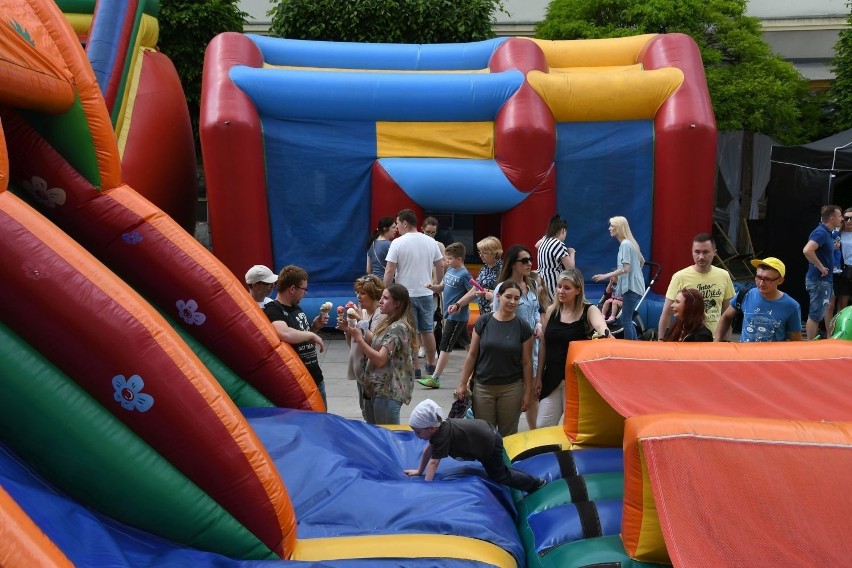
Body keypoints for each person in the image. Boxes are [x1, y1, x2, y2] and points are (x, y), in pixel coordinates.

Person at [404, 399, 546, 493]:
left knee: (500, 475)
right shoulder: (439, 428)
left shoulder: (441, 435)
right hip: (484, 434)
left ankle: (535, 484)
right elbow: (427, 450)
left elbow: (434, 463)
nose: (416, 435)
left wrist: (427, 487)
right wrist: (418, 471)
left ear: (431, 428)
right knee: (498, 470)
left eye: (418, 432)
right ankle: (533, 481)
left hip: (488, 441)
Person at [456, 280, 533, 437]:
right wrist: (462, 383)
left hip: (512, 389)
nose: (512, 302)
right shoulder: (484, 321)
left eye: (517, 298)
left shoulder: (523, 326)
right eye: (508, 297)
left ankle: (505, 462)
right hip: (483, 387)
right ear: (498, 297)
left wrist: (527, 393)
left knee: (509, 435)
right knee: (484, 435)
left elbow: (527, 363)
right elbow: (472, 354)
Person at [536, 269, 610, 428]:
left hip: (576, 378)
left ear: (578, 290)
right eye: (559, 286)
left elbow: (600, 325)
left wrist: (607, 335)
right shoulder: (552, 311)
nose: (561, 291)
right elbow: (544, 344)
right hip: (552, 377)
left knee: (573, 427)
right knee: (542, 424)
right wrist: (539, 377)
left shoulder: (589, 310)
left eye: (567, 288)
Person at [343, 283, 417, 424]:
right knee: (376, 435)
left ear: (397, 303)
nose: (380, 301)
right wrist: (355, 331)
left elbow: (380, 359)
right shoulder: (388, 322)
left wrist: (359, 339)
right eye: (381, 297)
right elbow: (376, 342)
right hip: (378, 389)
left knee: (387, 437)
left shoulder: (398, 327)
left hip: (387, 391)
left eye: (385, 298)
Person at [384, 209, 444, 378]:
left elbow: (390, 269)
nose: (396, 227)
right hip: (426, 292)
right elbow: (440, 264)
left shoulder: (398, 242)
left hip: (405, 294)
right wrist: (439, 285)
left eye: (397, 223)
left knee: (410, 332)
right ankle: (431, 365)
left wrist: (384, 290)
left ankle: (415, 367)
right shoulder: (430, 242)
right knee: (427, 330)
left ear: (404, 223)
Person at [264, 265, 328, 408]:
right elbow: (284, 333)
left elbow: (302, 338)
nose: (305, 293)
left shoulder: (296, 307)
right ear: (292, 289)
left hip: (315, 376)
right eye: (304, 289)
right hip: (298, 382)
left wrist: (314, 328)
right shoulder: (273, 309)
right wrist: (311, 334)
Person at [494, 245, 543, 429]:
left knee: (533, 393)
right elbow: (495, 316)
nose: (530, 264)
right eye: (524, 261)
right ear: (513, 264)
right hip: (511, 347)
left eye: (530, 260)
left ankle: (534, 434)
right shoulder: (503, 287)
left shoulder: (532, 284)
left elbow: (536, 310)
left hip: (533, 346)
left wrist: (538, 324)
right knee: (511, 391)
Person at [657, 233, 735, 340]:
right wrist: (661, 343)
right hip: (687, 340)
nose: (701, 257)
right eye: (697, 252)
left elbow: (728, 315)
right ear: (692, 252)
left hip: (714, 341)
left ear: (714, 252)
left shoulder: (724, 275)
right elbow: (666, 314)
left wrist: (726, 343)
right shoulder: (680, 277)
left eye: (706, 252)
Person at [419, 242, 473, 389]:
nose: (446, 261)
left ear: (459, 259)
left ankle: (435, 377)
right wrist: (432, 287)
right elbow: (441, 287)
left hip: (457, 316)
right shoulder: (450, 271)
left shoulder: (464, 275)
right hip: (449, 315)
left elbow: (473, 292)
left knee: (445, 346)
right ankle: (478, 367)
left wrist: (459, 305)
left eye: (449, 259)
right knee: (469, 346)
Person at [715, 257, 802, 342]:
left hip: (774, 356)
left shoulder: (791, 306)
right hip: (745, 354)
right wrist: (717, 341)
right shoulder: (745, 295)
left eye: (767, 279)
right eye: (758, 277)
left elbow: (796, 340)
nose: (761, 283)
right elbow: (726, 317)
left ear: (780, 280)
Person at [340, 275, 385, 420]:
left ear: (373, 294)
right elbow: (353, 344)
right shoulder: (363, 311)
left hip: (372, 374)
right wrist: (347, 330)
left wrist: (361, 321)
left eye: (363, 293)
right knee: (365, 412)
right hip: (361, 374)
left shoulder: (380, 315)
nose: (358, 296)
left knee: (374, 417)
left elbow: (376, 343)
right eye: (357, 292)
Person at [592, 216, 645, 340]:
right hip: (635, 286)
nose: (609, 228)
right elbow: (641, 261)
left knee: (626, 320)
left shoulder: (625, 245)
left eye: (612, 226)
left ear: (619, 228)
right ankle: (634, 345)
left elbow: (625, 268)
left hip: (631, 288)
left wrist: (605, 276)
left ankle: (629, 346)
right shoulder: (631, 243)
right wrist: (635, 275)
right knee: (627, 318)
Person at [802, 205, 843, 340]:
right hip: (819, 280)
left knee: (825, 310)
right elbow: (807, 250)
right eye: (840, 216)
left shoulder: (827, 233)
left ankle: (827, 339)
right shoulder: (821, 232)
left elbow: (821, 249)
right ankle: (810, 345)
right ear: (832, 218)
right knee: (815, 314)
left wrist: (833, 247)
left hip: (825, 280)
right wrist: (820, 266)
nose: (842, 219)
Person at [451, 236, 504, 317]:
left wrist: (490, 293)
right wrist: (458, 305)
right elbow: (474, 290)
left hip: (497, 314)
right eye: (480, 252)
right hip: (483, 313)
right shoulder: (485, 268)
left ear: (495, 253)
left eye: (485, 253)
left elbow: (507, 293)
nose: (481, 256)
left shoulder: (503, 270)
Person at [420, 216, 445, 360]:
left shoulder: (439, 245)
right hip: (421, 284)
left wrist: (437, 286)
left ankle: (432, 347)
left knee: (433, 319)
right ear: (422, 229)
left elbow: (441, 266)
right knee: (419, 318)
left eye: (433, 232)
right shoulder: (418, 243)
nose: (430, 235)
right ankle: (422, 346)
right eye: (428, 232)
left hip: (433, 286)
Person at [535, 214, 575, 302]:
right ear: (563, 230)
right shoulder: (558, 244)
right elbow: (570, 269)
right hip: (553, 281)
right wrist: (571, 253)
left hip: (542, 279)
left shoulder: (545, 239)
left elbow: (536, 245)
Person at [835, 207, 852, 315]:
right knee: (842, 304)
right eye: (846, 218)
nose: (849, 221)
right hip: (844, 269)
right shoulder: (838, 233)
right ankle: (839, 329)